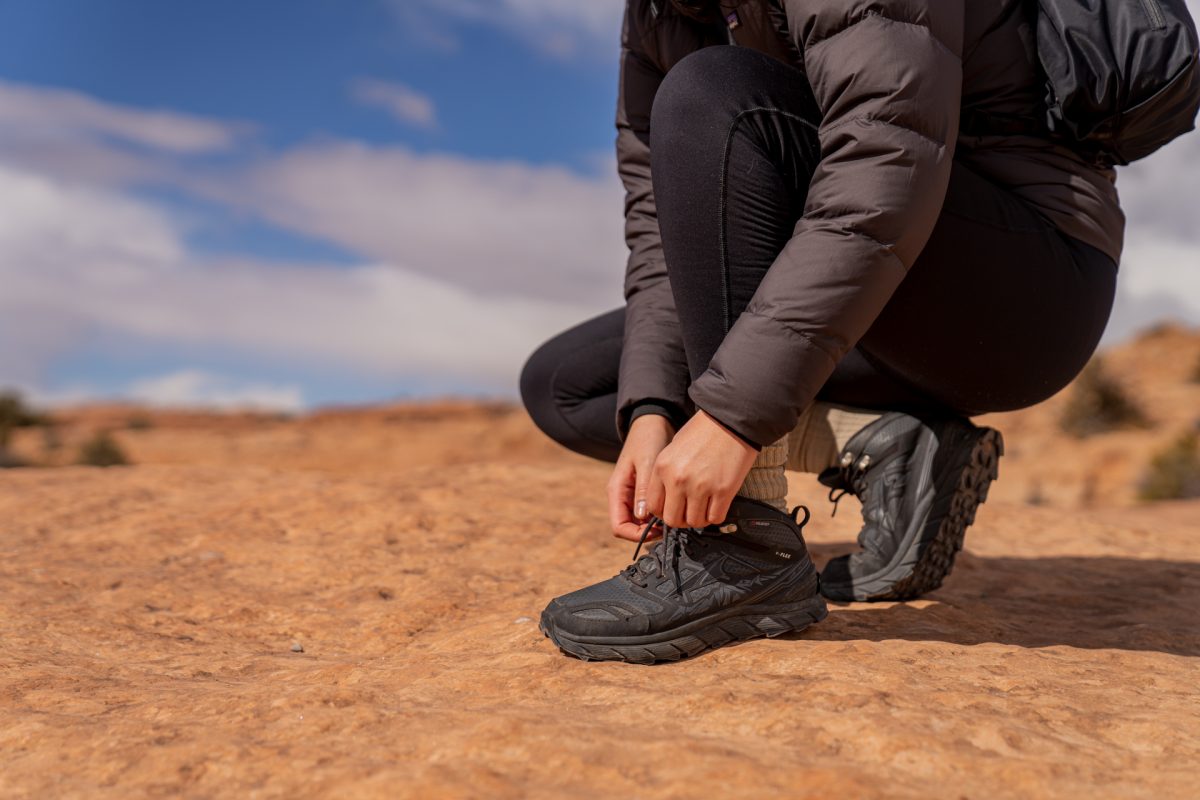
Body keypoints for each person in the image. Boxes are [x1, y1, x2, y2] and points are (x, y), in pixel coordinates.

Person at [520, 0, 1123, 664]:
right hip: (858, 287)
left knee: (713, 93)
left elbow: (883, 172)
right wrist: (655, 407)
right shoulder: (658, 13)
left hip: (1017, 291)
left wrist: (729, 417)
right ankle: (890, 447)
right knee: (572, 387)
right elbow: (665, 232)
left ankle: (744, 550)